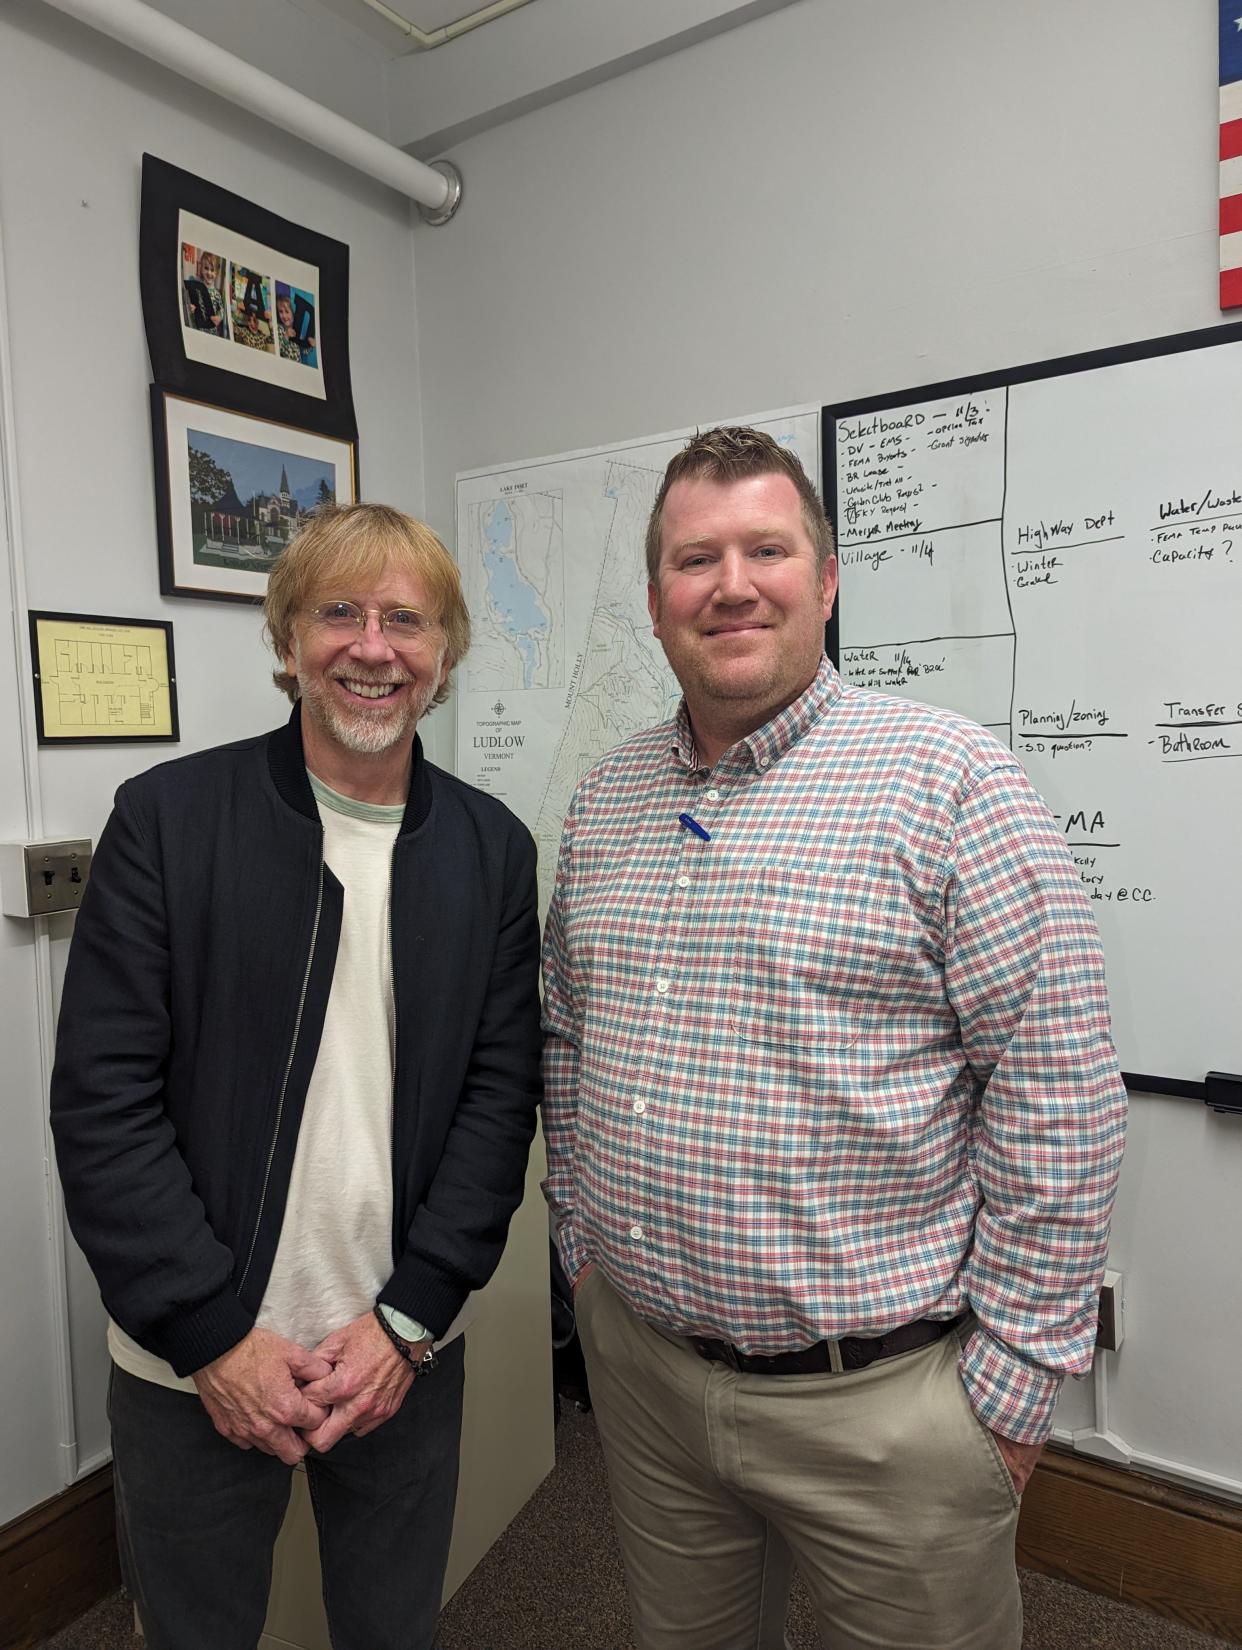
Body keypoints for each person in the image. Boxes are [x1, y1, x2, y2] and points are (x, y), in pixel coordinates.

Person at [541, 426, 1127, 1650]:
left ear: (829, 576)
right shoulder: (604, 803)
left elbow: (1055, 1091)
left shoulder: (953, 783)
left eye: (768, 548)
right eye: (696, 559)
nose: (733, 584)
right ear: (655, 601)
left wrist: (1009, 1393)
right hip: (645, 1374)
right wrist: (583, 1254)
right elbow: (567, 1031)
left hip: (886, 1406)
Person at [52, 503, 542, 1650]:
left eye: (407, 622)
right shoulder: (167, 823)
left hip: (398, 1353)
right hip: (197, 1362)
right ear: (287, 644)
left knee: (391, 1627)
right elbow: (103, 1106)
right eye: (339, 614)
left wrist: (412, 1317)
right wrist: (213, 1336)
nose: (373, 647)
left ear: (443, 656)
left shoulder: (491, 850)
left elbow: (496, 1097)